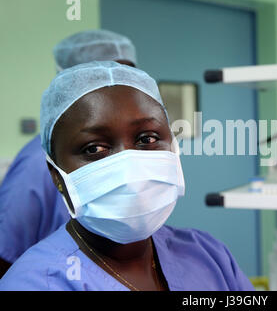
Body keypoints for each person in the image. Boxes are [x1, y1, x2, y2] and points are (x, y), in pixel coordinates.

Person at [0, 61, 254, 291]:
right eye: (95, 148)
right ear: (56, 175)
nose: (129, 165)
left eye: (147, 139)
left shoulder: (208, 256)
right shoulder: (36, 283)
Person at [0, 30, 137, 277]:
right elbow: (6, 254)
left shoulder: (136, 156)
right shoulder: (37, 163)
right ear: (70, 84)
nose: (122, 89)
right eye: (103, 78)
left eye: (129, 77)